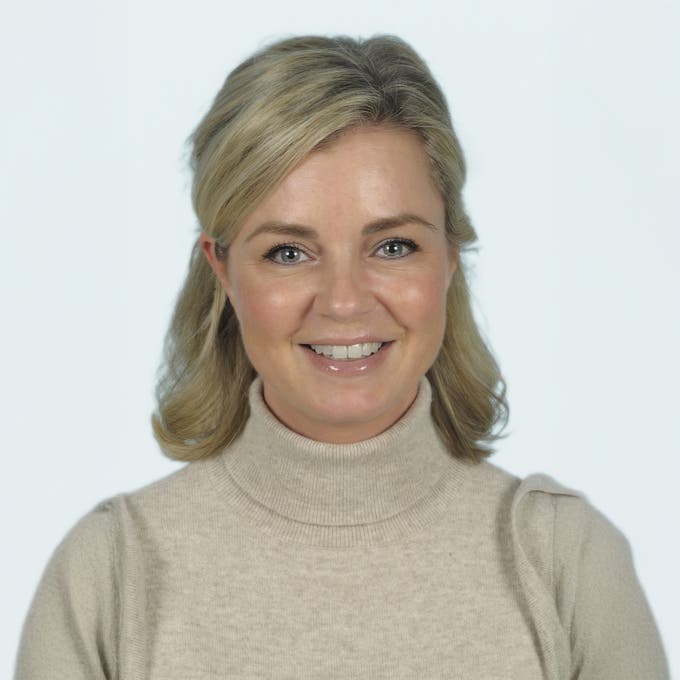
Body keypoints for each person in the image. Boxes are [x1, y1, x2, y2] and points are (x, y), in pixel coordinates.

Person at [14, 34, 669, 680]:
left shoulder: (569, 564)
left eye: (393, 247)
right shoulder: (108, 578)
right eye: (288, 253)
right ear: (223, 271)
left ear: (449, 256)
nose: (345, 302)